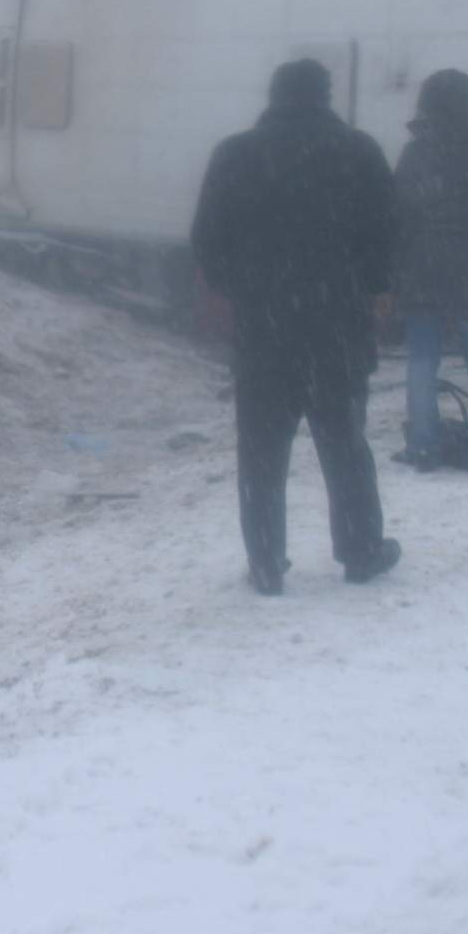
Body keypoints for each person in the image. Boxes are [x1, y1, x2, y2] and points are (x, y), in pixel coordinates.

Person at [191, 58, 400, 594]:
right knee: (345, 443)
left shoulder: (235, 155)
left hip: (264, 329)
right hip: (339, 326)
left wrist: (244, 287)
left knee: (260, 452)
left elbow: (207, 241)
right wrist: (369, 288)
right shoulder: (359, 152)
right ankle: (360, 551)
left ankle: (265, 562)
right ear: (325, 96)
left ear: (274, 95)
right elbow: (387, 240)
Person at [392, 69, 468, 480]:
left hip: (423, 260)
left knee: (423, 358)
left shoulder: (416, 152)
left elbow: (401, 206)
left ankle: (424, 446)